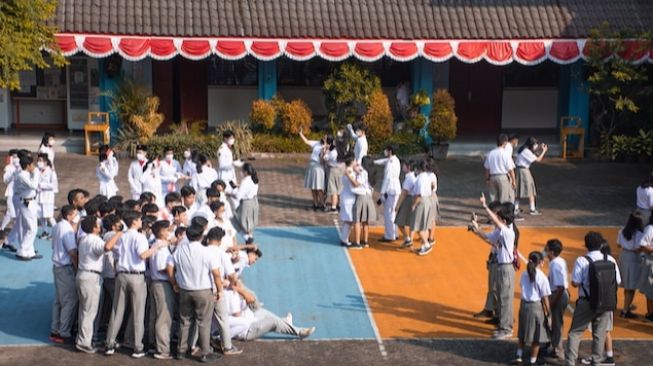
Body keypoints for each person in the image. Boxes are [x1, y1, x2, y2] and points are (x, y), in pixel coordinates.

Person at [105, 211, 164, 358]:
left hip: (121, 275)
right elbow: (143, 255)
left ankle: (109, 344)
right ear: (135, 221)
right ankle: (137, 347)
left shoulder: (122, 237)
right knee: (138, 312)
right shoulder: (140, 237)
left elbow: (115, 252)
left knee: (116, 311)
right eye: (139, 219)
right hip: (137, 277)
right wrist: (157, 247)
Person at [166, 224, 224, 363]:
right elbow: (216, 274)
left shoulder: (179, 250)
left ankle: (181, 350)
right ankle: (205, 352)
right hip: (203, 290)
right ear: (201, 235)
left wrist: (174, 283)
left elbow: (169, 267)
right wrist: (220, 290)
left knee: (184, 321)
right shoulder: (206, 252)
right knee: (204, 322)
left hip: (185, 290)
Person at [565, 232, 621, 366]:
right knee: (599, 334)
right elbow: (617, 281)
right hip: (605, 302)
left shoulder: (582, 260)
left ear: (586, 245)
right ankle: (596, 362)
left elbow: (575, 282)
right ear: (601, 244)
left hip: (586, 302)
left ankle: (570, 362)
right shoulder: (610, 260)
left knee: (575, 333)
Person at [469, 193, 516, 339]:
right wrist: (477, 230)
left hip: (506, 267)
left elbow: (496, 221)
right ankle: (502, 324)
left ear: (503, 220)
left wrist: (484, 206)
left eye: (498, 218)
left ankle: (506, 329)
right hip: (502, 267)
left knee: (505, 298)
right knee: (501, 297)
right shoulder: (501, 232)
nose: (495, 220)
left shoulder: (508, 232)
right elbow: (488, 238)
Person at [75, 215, 122, 353]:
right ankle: (84, 343)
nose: (100, 226)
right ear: (94, 228)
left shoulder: (84, 239)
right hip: (90, 276)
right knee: (89, 311)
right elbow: (107, 247)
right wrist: (119, 233)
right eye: (97, 224)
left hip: (83, 274)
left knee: (84, 310)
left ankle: (83, 339)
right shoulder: (94, 239)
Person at [204, 227, 243, 355]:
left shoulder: (201, 250)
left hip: (200, 289)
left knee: (199, 318)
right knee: (222, 318)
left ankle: (195, 345)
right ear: (220, 240)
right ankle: (227, 347)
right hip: (216, 289)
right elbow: (231, 275)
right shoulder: (222, 254)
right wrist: (233, 283)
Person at [226, 286, 315, 341]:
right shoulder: (227, 297)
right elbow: (239, 312)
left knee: (261, 311)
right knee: (273, 322)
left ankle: (284, 322)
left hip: (252, 318)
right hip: (247, 330)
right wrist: (240, 292)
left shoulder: (230, 292)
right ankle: (300, 332)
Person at [512, 251, 551, 366]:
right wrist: (549, 313)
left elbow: (522, 286)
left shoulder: (524, 274)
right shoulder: (542, 277)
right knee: (537, 336)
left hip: (524, 306)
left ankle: (519, 356)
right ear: (541, 262)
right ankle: (532, 361)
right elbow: (545, 298)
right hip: (536, 308)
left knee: (522, 332)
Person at [49, 205, 79, 344]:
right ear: (69, 216)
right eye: (74, 214)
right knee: (69, 300)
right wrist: (77, 267)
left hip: (57, 267)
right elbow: (72, 252)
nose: (75, 216)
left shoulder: (57, 226)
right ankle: (64, 332)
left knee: (59, 300)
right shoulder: (66, 229)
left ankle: (55, 330)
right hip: (65, 268)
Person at [148, 220, 175, 360]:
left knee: (155, 316)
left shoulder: (158, 245)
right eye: (166, 230)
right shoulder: (161, 248)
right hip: (162, 284)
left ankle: (154, 344)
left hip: (156, 283)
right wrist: (175, 273)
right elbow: (162, 268)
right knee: (163, 318)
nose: (169, 232)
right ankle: (162, 349)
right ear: (161, 232)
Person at [543, 239, 569, 359]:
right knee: (553, 322)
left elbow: (560, 287)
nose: (545, 250)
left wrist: (552, 302)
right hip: (558, 294)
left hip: (558, 295)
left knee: (556, 323)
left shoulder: (555, 265)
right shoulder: (559, 261)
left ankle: (558, 350)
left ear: (552, 252)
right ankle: (553, 345)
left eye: (547, 249)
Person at [14, 154, 42, 260]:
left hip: (31, 202)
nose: (34, 166)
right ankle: (22, 250)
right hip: (26, 203)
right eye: (32, 164)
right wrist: (36, 173)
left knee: (30, 227)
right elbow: (33, 185)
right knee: (32, 229)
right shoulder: (22, 175)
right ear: (28, 165)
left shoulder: (25, 174)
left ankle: (30, 252)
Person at [617, 213, 644, 318]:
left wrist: (626, 246)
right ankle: (625, 310)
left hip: (624, 256)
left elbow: (618, 244)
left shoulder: (621, 231)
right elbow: (638, 248)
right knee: (631, 286)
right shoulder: (639, 234)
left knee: (627, 284)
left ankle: (626, 306)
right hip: (633, 258)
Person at [514, 137, 548, 216]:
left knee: (518, 190)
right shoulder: (526, 152)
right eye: (535, 144)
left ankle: (516, 207)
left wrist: (540, 147)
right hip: (524, 171)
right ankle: (532, 209)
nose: (536, 146)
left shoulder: (523, 149)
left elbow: (534, 151)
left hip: (520, 170)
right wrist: (544, 151)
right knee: (530, 190)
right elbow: (538, 159)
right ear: (531, 145)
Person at [374, 146, 401, 242]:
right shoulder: (394, 160)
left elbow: (387, 179)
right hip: (394, 189)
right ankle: (394, 233)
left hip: (390, 190)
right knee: (392, 213)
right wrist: (374, 162)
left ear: (390, 151)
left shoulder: (390, 164)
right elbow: (383, 161)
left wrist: (382, 193)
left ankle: (390, 236)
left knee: (388, 214)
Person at [351, 158, 376, 248]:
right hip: (368, 197)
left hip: (361, 197)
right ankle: (365, 241)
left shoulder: (363, 172)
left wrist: (351, 176)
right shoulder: (371, 172)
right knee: (365, 221)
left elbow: (357, 183)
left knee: (357, 220)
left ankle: (357, 242)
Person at [484, 134, 516, 204]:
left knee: (493, 198)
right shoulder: (505, 153)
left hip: (492, 176)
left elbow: (487, 168)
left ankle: (493, 213)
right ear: (504, 143)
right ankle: (502, 214)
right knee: (503, 198)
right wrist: (513, 180)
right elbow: (510, 169)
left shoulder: (490, 153)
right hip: (502, 176)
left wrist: (487, 179)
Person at [299, 130, 327, 211]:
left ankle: (322, 204)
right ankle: (315, 203)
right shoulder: (317, 143)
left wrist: (324, 150)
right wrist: (301, 133)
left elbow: (323, 160)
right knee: (313, 186)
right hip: (311, 165)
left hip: (318, 167)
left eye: (325, 138)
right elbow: (306, 141)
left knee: (319, 187)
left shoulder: (327, 148)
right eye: (323, 137)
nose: (323, 139)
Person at [410, 161, 433, 256]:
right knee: (424, 225)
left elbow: (419, 195)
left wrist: (414, 205)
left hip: (421, 202)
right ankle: (424, 244)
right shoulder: (427, 177)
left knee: (418, 225)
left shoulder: (420, 179)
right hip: (427, 200)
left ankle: (426, 244)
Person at [234, 163, 259, 244]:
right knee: (250, 221)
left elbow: (238, 196)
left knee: (240, 220)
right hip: (254, 202)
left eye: (242, 171)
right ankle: (249, 238)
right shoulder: (254, 179)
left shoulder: (245, 181)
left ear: (245, 171)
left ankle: (247, 239)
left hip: (247, 203)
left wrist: (230, 193)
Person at [36, 153, 58, 239]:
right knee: (41, 216)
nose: (39, 162)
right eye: (38, 160)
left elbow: (54, 185)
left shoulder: (51, 172)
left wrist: (42, 185)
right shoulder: (37, 171)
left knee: (49, 216)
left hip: (48, 197)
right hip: (39, 197)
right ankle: (45, 231)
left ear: (45, 162)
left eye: (41, 161)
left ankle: (56, 232)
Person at [394, 160, 416, 248]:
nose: (402, 167)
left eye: (404, 165)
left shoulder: (409, 178)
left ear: (409, 167)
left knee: (400, 221)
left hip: (408, 200)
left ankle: (408, 239)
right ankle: (409, 238)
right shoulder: (413, 176)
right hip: (411, 199)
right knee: (411, 222)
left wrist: (397, 205)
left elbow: (404, 193)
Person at [1, 149, 19, 248]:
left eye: (17, 156)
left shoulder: (20, 166)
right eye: (14, 156)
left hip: (18, 193)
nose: (16, 158)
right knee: (11, 213)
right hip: (11, 193)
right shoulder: (8, 167)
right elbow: (6, 180)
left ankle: (9, 237)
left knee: (14, 215)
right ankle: (2, 229)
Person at [338, 156, 357, 248]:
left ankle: (345, 238)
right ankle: (344, 240)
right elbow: (353, 185)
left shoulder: (347, 170)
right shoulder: (350, 172)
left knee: (348, 220)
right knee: (349, 220)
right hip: (349, 198)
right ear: (352, 161)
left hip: (346, 196)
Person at [638, 215, 653, 322]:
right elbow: (642, 244)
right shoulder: (650, 229)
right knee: (650, 288)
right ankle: (650, 314)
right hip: (651, 261)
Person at [324, 136, 342, 214]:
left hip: (333, 170)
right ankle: (340, 205)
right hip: (341, 170)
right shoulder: (341, 150)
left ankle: (333, 207)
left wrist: (326, 149)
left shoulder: (333, 152)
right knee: (340, 189)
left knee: (333, 189)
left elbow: (325, 158)